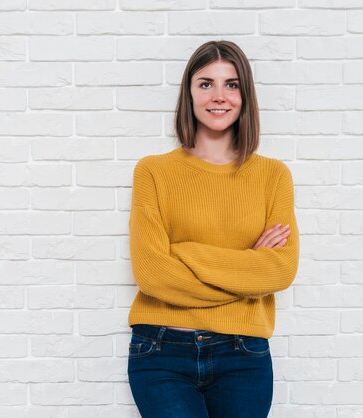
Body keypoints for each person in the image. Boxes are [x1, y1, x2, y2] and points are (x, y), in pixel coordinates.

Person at [126, 40, 300, 418]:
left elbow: (280, 270)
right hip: (160, 352)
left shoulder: (273, 176)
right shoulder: (153, 171)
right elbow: (153, 276)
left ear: (245, 95)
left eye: (231, 84)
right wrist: (246, 269)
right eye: (206, 84)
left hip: (244, 354)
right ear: (189, 93)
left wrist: (183, 253)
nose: (218, 96)